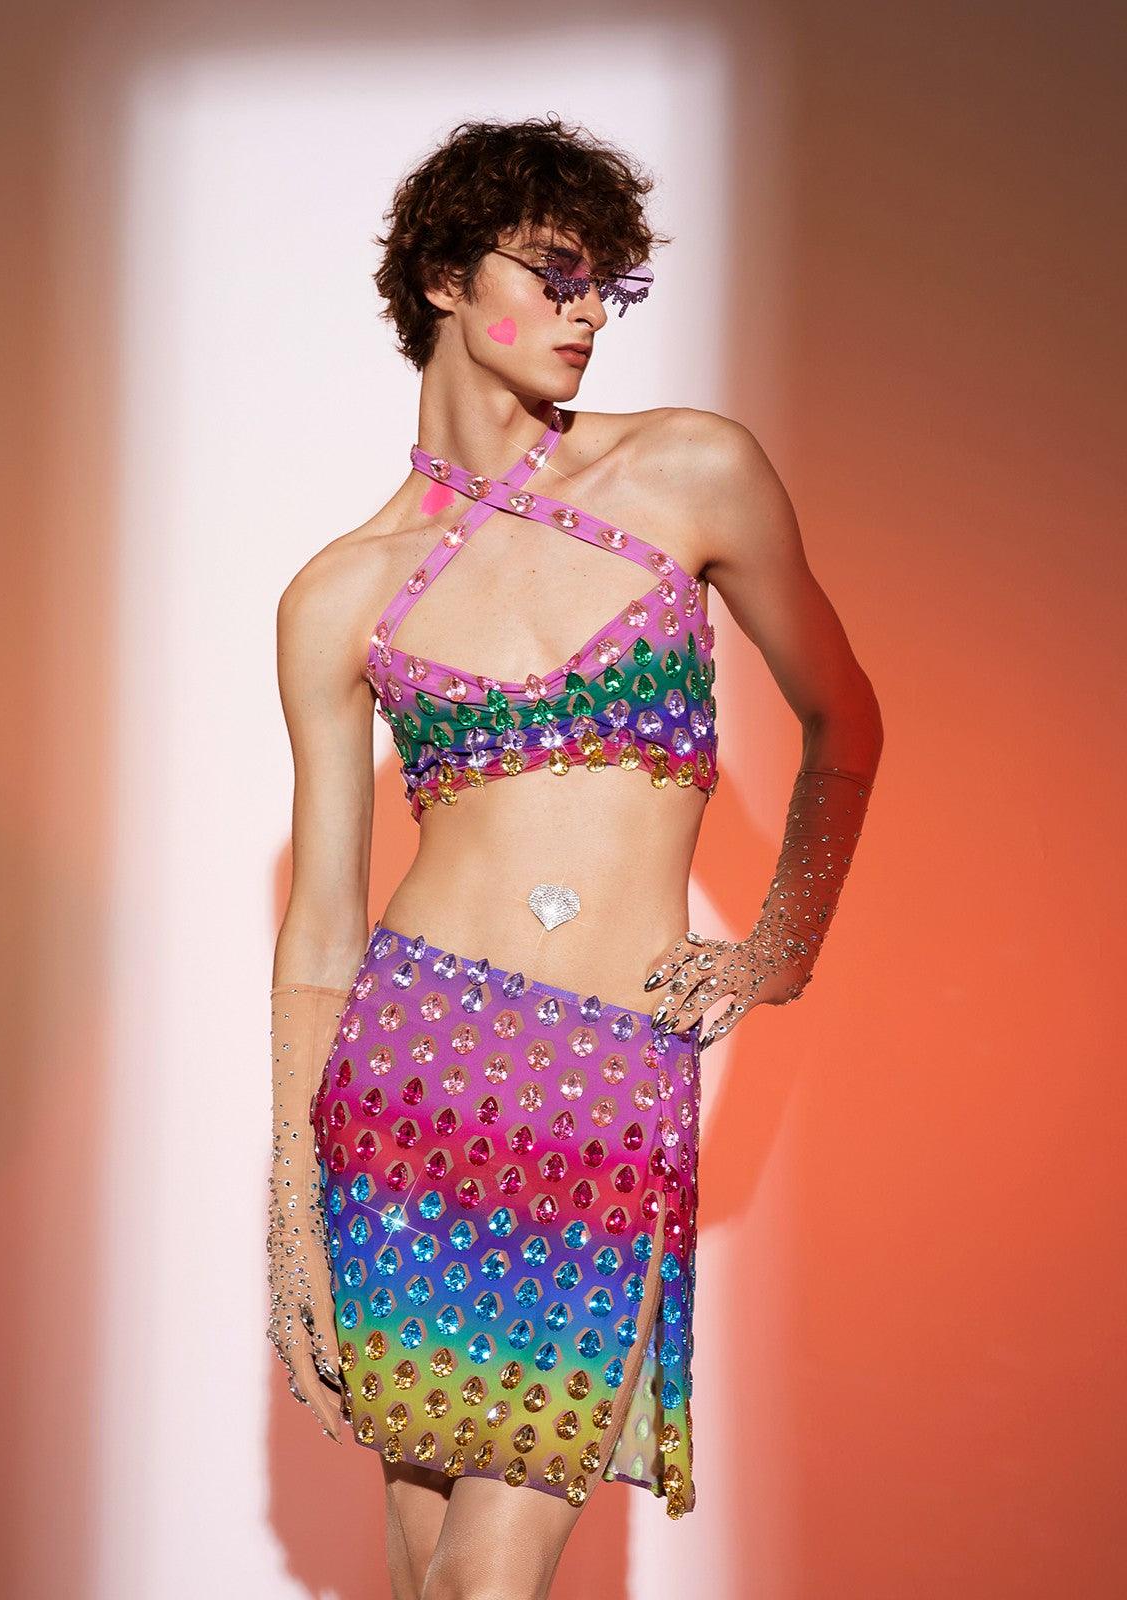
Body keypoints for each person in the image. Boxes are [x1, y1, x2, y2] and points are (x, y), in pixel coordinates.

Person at [268, 114, 882, 1600]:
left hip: (607, 1069)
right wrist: (293, 1215)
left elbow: (844, 719)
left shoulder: (688, 470)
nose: (588, 311)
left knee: (487, 1580)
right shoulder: (338, 594)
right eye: (554, 273)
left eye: (609, 283)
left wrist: (778, 946)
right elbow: (322, 930)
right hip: (408, 1074)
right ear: (442, 277)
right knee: (429, 1568)